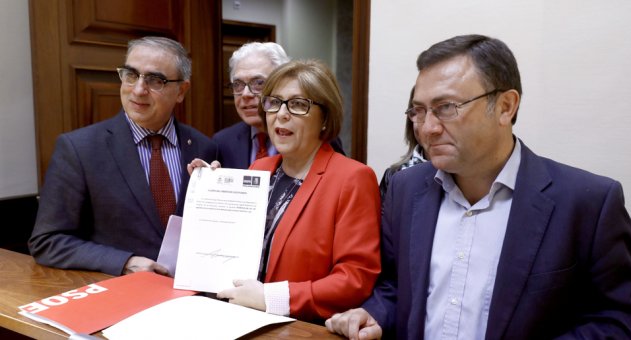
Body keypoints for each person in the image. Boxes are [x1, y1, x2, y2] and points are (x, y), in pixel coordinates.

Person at [326, 34, 631, 339]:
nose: (427, 128)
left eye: (446, 108)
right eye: (419, 111)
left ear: (505, 106)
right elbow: (395, 287)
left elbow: (626, 318)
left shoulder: (586, 203)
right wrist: (376, 314)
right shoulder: (406, 188)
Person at [191, 59, 380, 323]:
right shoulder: (258, 169)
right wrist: (208, 194)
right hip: (237, 318)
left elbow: (355, 278)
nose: (281, 113)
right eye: (274, 102)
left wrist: (272, 297)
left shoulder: (353, 178)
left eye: (298, 104)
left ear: (325, 118)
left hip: (300, 328)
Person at [28, 36, 217, 277]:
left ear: (181, 91)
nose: (138, 90)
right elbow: (47, 241)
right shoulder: (79, 149)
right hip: (117, 299)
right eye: (130, 75)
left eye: (155, 80)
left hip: (193, 298)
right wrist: (124, 262)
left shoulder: (205, 148)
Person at [213, 42, 343, 169]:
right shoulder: (222, 142)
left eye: (258, 83)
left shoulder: (316, 137)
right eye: (238, 84)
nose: (246, 94)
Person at [378, 86, 427, 199]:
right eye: (419, 111)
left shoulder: (466, 175)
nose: (429, 126)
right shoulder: (394, 176)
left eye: (443, 108)